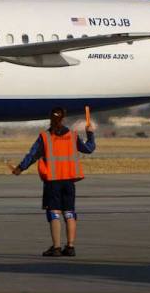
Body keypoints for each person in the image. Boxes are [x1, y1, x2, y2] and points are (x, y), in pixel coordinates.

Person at [11, 106, 96, 257]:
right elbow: (89, 149)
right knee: (69, 212)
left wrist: (19, 168)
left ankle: (56, 247)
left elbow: (32, 155)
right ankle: (70, 246)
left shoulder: (45, 137)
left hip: (53, 181)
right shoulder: (72, 135)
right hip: (69, 180)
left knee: (54, 213)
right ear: (63, 118)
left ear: (50, 118)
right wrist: (90, 134)